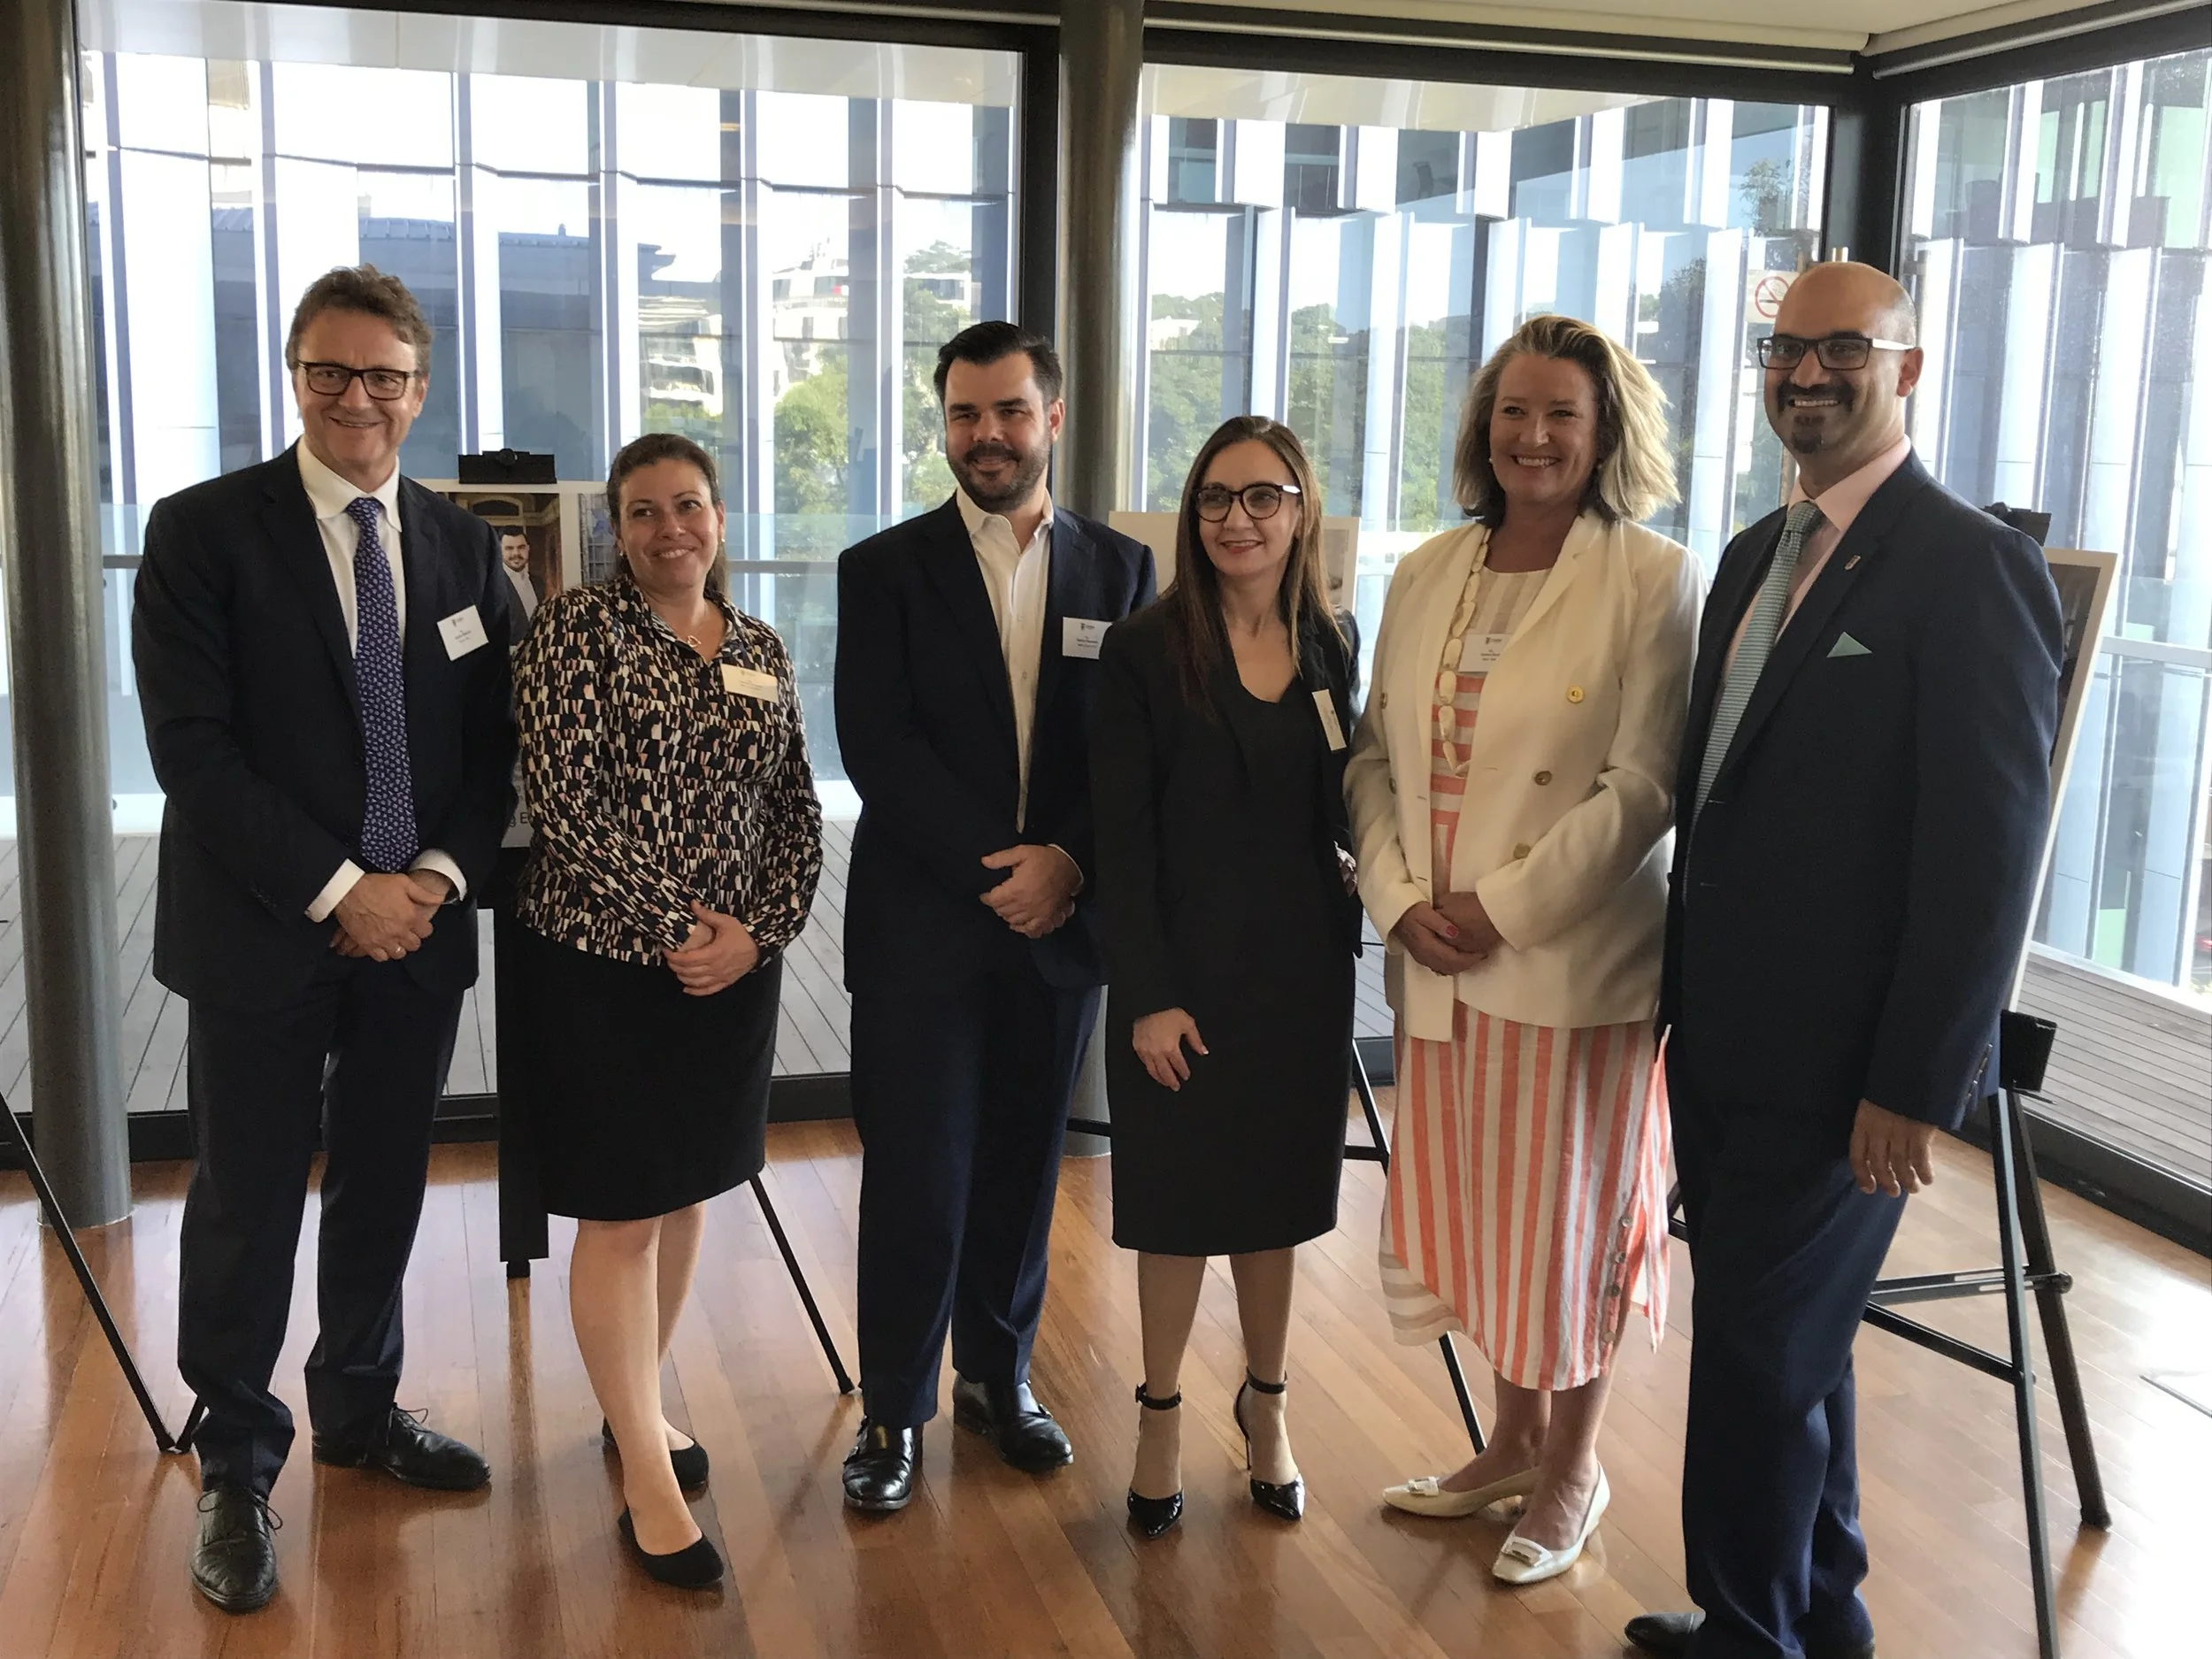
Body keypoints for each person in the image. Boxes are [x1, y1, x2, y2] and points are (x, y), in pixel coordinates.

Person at [1625, 265, 2062, 1659]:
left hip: (1845, 1074)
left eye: (1842, 350)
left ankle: (1748, 1634)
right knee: (1793, 1347)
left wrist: (1911, 1083)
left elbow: (1984, 860)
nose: (1807, 374)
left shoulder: (1970, 562)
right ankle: (1825, 1617)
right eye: (1784, 349)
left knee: (1757, 1359)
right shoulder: (1758, 551)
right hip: (1728, 1041)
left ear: (1909, 367)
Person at [132, 265, 516, 1614]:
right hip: (263, 930)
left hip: (419, 927)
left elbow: (499, 742)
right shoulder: (201, 531)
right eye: (329, 371)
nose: (357, 398)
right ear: (294, 376)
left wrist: (436, 875)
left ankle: (359, 1403)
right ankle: (235, 1456)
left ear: (420, 387)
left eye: (384, 376)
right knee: (243, 1197)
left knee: (383, 1179)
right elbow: (193, 751)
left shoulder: (465, 548)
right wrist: (340, 884)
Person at [1345, 313, 1701, 1585]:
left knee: (1578, 1219)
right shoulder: (1430, 567)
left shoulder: (1654, 575)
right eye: (1513, 411)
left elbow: (1644, 782)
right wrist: (1396, 899)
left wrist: (1497, 905)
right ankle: (1508, 1439)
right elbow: (1377, 754)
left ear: (1606, 431)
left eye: (1562, 414)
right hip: (1435, 954)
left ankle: (1573, 1467)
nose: (1534, 436)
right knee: (1493, 1218)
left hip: (1562, 956)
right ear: (1481, 427)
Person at [833, 321, 1156, 1512]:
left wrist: (1067, 860)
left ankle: (999, 1380)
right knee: (920, 1171)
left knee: (1027, 1168)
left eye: (1011, 411)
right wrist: (1003, 866)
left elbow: (1127, 746)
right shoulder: (883, 568)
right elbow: (879, 744)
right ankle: (892, 1408)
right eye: (966, 414)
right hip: (927, 924)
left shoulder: (1120, 574)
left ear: (1052, 419)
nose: (988, 435)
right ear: (946, 422)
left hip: (1057, 931)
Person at [505, 432, 823, 1589]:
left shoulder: (760, 647)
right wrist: (683, 926)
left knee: (694, 1185)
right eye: (644, 511)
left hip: (733, 971)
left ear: (721, 517)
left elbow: (798, 809)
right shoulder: (574, 630)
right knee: (625, 1212)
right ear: (618, 529)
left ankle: (634, 1403)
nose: (669, 528)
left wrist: (760, 931)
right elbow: (566, 806)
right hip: (604, 966)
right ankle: (644, 1462)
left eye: (688, 505)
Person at [1089, 417, 1362, 1538]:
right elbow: (1121, 837)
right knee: (1175, 1207)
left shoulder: (1333, 643)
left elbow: (1354, 804)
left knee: (1274, 1205)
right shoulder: (1145, 648)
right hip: (1181, 979)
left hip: (1297, 977)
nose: (1235, 520)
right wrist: (1147, 992)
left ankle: (1267, 1402)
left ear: (1301, 510)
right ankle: (1159, 1414)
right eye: (1214, 499)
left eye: (1262, 497)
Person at [498, 526, 539, 634]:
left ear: (528, 548)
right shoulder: (492, 585)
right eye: (509, 548)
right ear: (499, 550)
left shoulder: (538, 583)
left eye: (521, 547)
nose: (516, 553)